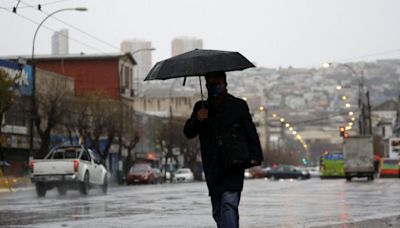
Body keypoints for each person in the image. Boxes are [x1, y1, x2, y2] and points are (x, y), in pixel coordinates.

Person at [184, 71, 263, 228]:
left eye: (218, 83)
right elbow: (188, 132)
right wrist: (198, 119)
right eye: (211, 83)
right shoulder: (201, 107)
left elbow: (250, 130)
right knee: (218, 210)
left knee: (229, 204)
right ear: (206, 85)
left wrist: (256, 155)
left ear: (225, 83)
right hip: (213, 166)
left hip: (234, 162)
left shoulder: (238, 105)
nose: (215, 87)